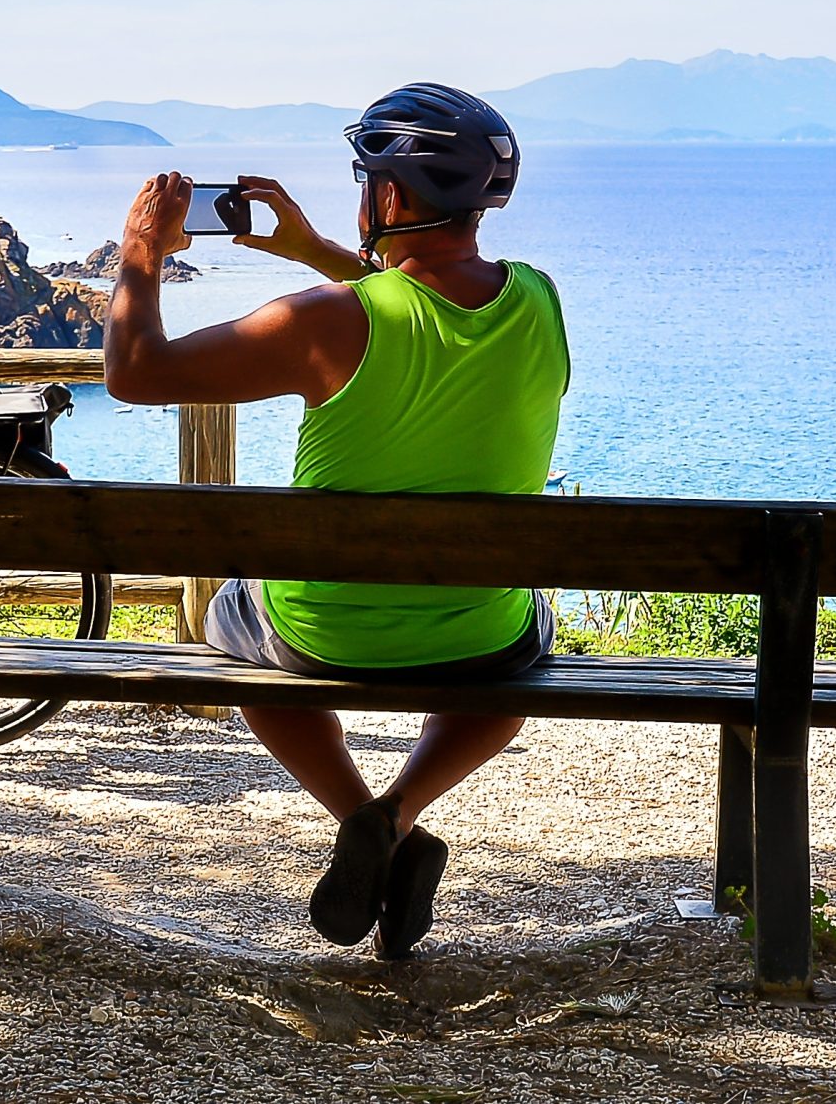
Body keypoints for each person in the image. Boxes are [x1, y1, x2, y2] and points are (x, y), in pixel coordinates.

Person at [103, 83, 569, 959]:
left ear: (389, 195)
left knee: (230, 624)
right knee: (524, 641)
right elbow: (424, 311)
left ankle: (359, 811)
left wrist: (140, 248)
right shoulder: (539, 301)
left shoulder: (324, 322)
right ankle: (397, 813)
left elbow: (135, 370)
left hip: (322, 633)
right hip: (480, 640)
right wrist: (317, 250)